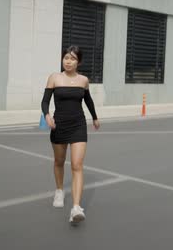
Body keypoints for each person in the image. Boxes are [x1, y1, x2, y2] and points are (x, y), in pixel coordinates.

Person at [41, 45, 100, 224]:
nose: (68, 61)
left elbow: (88, 100)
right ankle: (59, 190)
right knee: (59, 162)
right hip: (59, 125)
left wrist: (95, 118)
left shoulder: (83, 80)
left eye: (73, 58)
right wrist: (47, 115)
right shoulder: (54, 78)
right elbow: (45, 102)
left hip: (78, 125)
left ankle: (76, 207)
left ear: (78, 62)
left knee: (77, 165)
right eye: (66, 57)